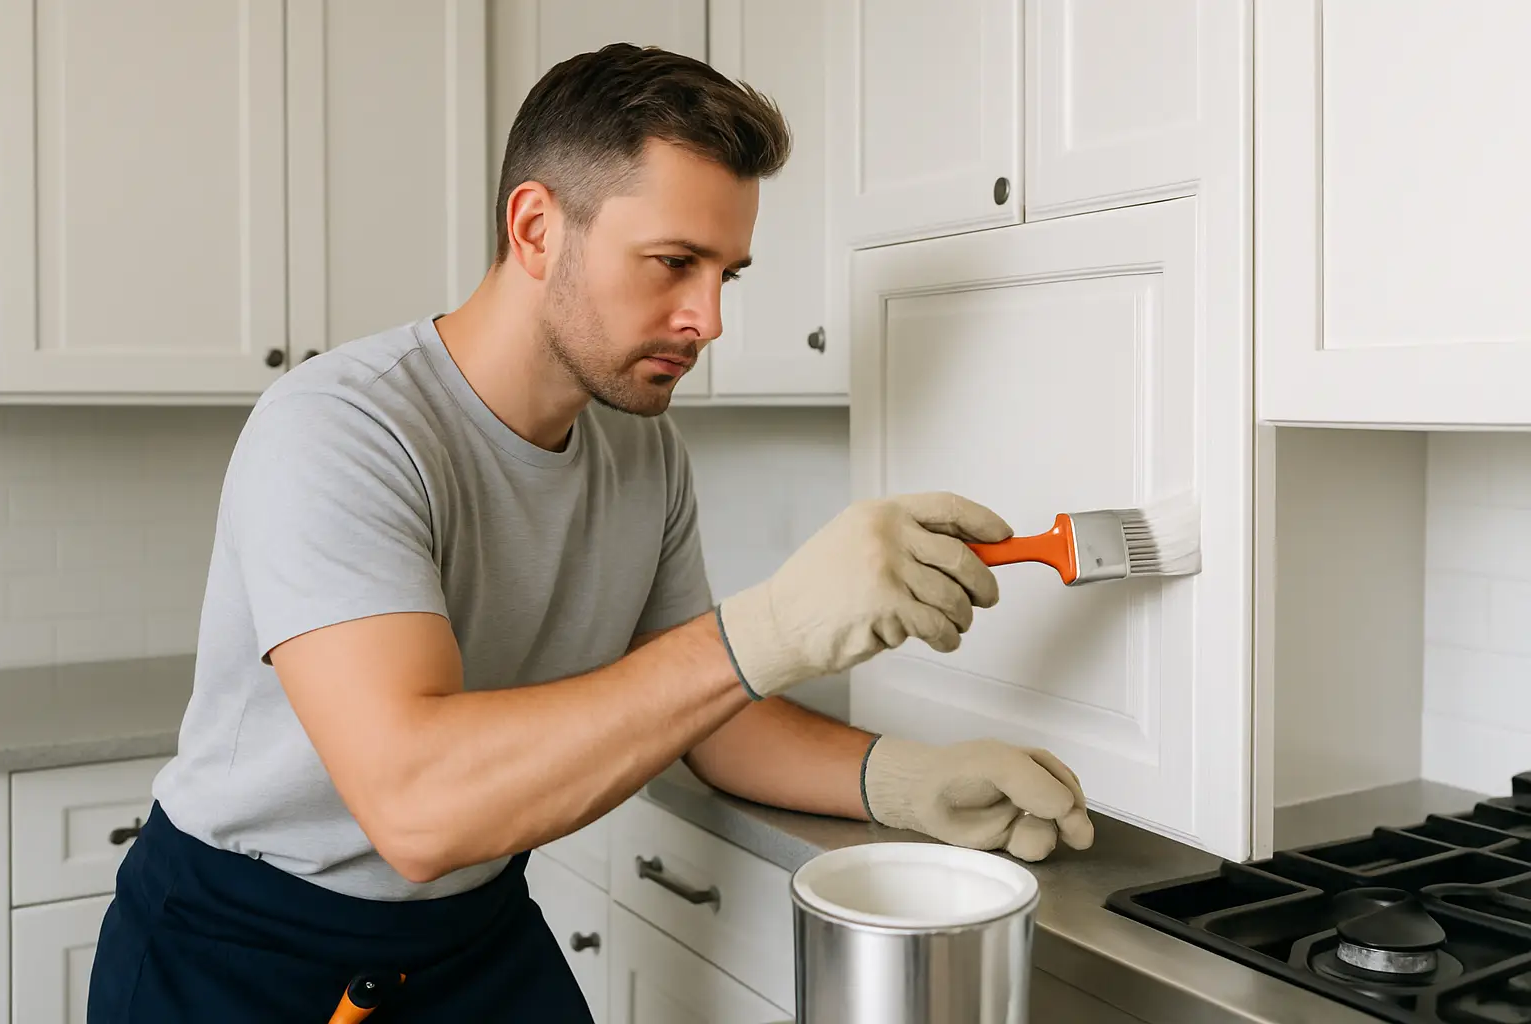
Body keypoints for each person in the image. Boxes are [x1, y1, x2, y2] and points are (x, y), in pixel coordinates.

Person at [87, 42, 1093, 1022]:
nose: (707, 317)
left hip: (468, 932)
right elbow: (418, 808)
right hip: (240, 949)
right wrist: (773, 623)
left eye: (726, 275)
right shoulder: (341, 428)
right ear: (535, 229)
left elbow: (713, 713)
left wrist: (901, 779)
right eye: (672, 263)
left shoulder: (643, 457)